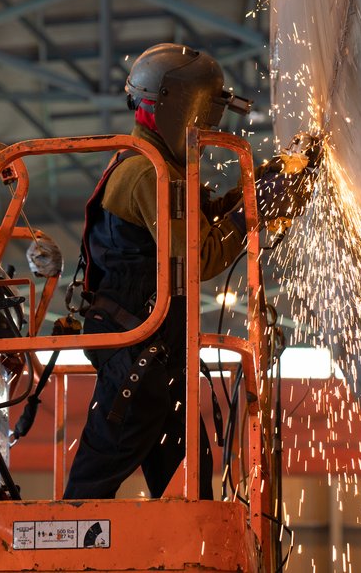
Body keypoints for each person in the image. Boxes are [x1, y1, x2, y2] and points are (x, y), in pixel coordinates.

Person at [63, 43, 314, 500]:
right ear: (176, 107)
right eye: (203, 117)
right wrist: (254, 211)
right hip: (138, 358)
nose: (208, 130)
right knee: (94, 483)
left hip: (155, 356)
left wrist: (263, 184)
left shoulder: (159, 166)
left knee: (190, 482)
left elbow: (199, 226)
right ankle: (62, 544)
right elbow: (200, 257)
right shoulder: (147, 174)